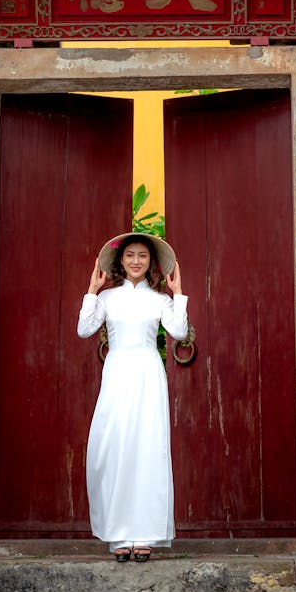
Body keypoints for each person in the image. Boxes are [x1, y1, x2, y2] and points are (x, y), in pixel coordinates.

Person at [77, 232, 187, 562]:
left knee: (147, 448)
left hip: (148, 375)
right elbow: (84, 329)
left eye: (142, 255)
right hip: (117, 373)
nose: (136, 261)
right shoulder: (108, 298)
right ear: (120, 262)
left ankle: (145, 535)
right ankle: (118, 534)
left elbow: (179, 332)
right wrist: (92, 292)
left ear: (151, 262)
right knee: (112, 447)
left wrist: (177, 293)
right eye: (130, 256)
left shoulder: (160, 300)